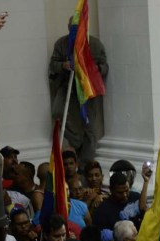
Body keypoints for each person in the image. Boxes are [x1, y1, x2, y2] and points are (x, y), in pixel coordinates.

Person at [49, 24, 108, 162]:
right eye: (73, 30)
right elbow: (53, 64)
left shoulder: (95, 44)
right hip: (67, 86)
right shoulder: (61, 43)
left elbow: (105, 67)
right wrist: (63, 65)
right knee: (58, 112)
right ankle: (74, 143)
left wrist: (94, 68)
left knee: (89, 126)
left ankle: (85, 162)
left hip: (88, 90)